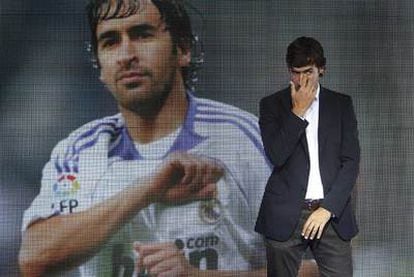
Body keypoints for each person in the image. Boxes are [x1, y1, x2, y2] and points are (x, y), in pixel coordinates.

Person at [18, 0, 272, 276]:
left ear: (183, 50)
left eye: (142, 35)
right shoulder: (81, 152)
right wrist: (147, 190)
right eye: (110, 41)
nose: (126, 54)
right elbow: (34, 259)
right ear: (101, 68)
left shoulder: (244, 139)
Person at [255, 36, 360, 277]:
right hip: (285, 212)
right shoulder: (271, 105)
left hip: (330, 214)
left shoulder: (341, 104)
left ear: (322, 69)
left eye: (309, 72)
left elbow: (351, 162)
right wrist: (298, 112)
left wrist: (328, 209)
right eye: (296, 72)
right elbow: (277, 155)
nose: (302, 80)